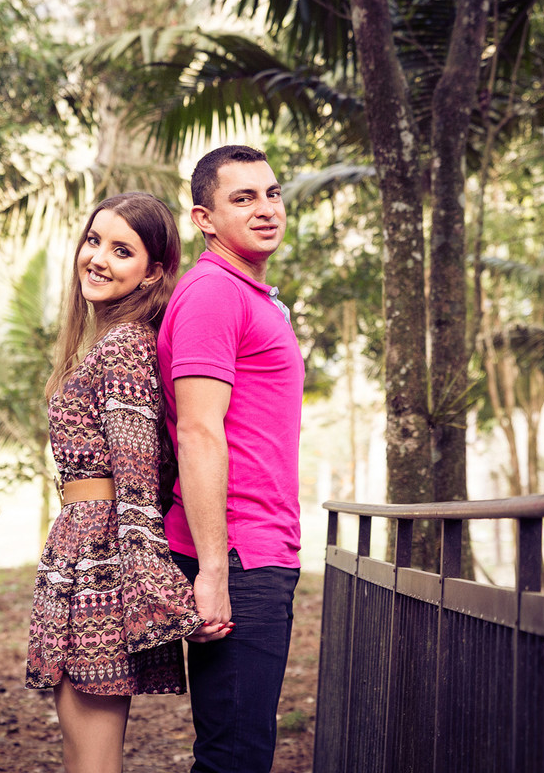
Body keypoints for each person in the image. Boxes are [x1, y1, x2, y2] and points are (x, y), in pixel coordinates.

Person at [26, 191, 203, 773]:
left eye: (121, 250)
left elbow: (136, 480)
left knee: (94, 758)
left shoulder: (125, 345)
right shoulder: (100, 342)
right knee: (82, 752)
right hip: (79, 552)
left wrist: (158, 590)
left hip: (101, 563)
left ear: (152, 273)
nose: (97, 258)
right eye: (94, 240)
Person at [156, 145, 305, 773]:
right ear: (204, 218)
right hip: (240, 553)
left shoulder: (253, 294)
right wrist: (214, 571)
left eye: (271, 193)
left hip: (258, 546)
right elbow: (197, 431)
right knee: (235, 757)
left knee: (239, 751)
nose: (266, 209)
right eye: (242, 198)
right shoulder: (215, 293)